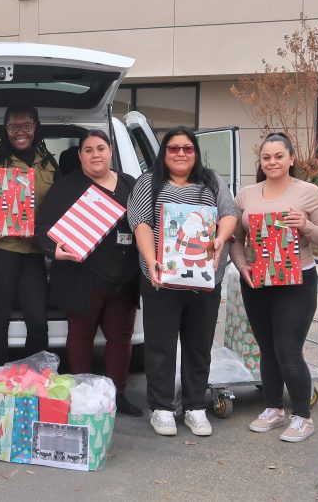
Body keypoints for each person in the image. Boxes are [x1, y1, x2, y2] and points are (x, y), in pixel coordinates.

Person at [128, 126, 237, 438]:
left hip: (204, 280)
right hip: (162, 279)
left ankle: (195, 406)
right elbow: (141, 223)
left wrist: (221, 238)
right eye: (173, 148)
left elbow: (229, 213)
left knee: (199, 346)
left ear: (195, 153)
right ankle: (161, 408)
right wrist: (151, 260)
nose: (180, 154)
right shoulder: (149, 181)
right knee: (160, 346)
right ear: (164, 152)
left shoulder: (211, 180)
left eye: (187, 148)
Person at [229, 133, 318, 443]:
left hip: (296, 281)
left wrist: (306, 226)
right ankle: (273, 408)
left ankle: (302, 416)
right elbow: (236, 239)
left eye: (278, 156)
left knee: (288, 349)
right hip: (257, 282)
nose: (272, 162)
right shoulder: (246, 195)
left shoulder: (309, 193)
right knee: (267, 349)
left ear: (291, 159)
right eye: (266, 157)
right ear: (260, 162)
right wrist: (242, 266)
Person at [36, 129, 142, 417]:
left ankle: (118, 394)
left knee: (121, 338)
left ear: (110, 152)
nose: (95, 154)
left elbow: (147, 222)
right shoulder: (65, 187)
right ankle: (82, 394)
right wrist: (53, 249)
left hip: (124, 277)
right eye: (88, 150)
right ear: (80, 155)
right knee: (81, 336)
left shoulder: (131, 184)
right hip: (81, 277)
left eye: (100, 148)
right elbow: (43, 227)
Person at [0, 103, 58, 365]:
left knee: (38, 321)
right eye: (13, 127)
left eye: (26, 125)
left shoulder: (48, 162)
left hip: (34, 250)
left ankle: (34, 379)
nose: (20, 132)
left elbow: (59, 206)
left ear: (36, 127)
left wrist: (45, 235)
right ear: (5, 129)